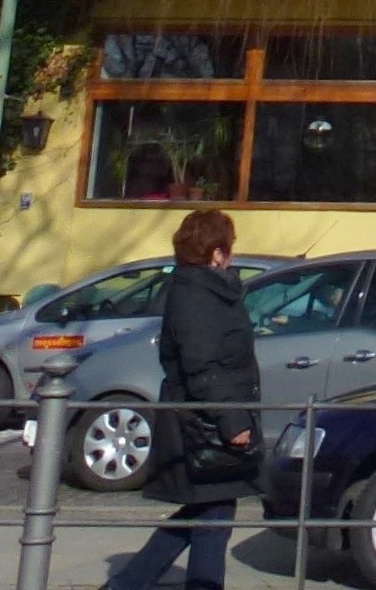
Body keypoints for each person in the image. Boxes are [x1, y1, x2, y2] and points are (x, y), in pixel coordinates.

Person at [108, 208, 261, 590]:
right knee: (214, 508)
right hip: (202, 422)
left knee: (207, 508)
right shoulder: (196, 294)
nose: (232, 255)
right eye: (229, 247)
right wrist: (232, 420)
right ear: (216, 252)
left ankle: (127, 584)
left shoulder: (210, 289)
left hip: (205, 417)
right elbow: (202, 365)